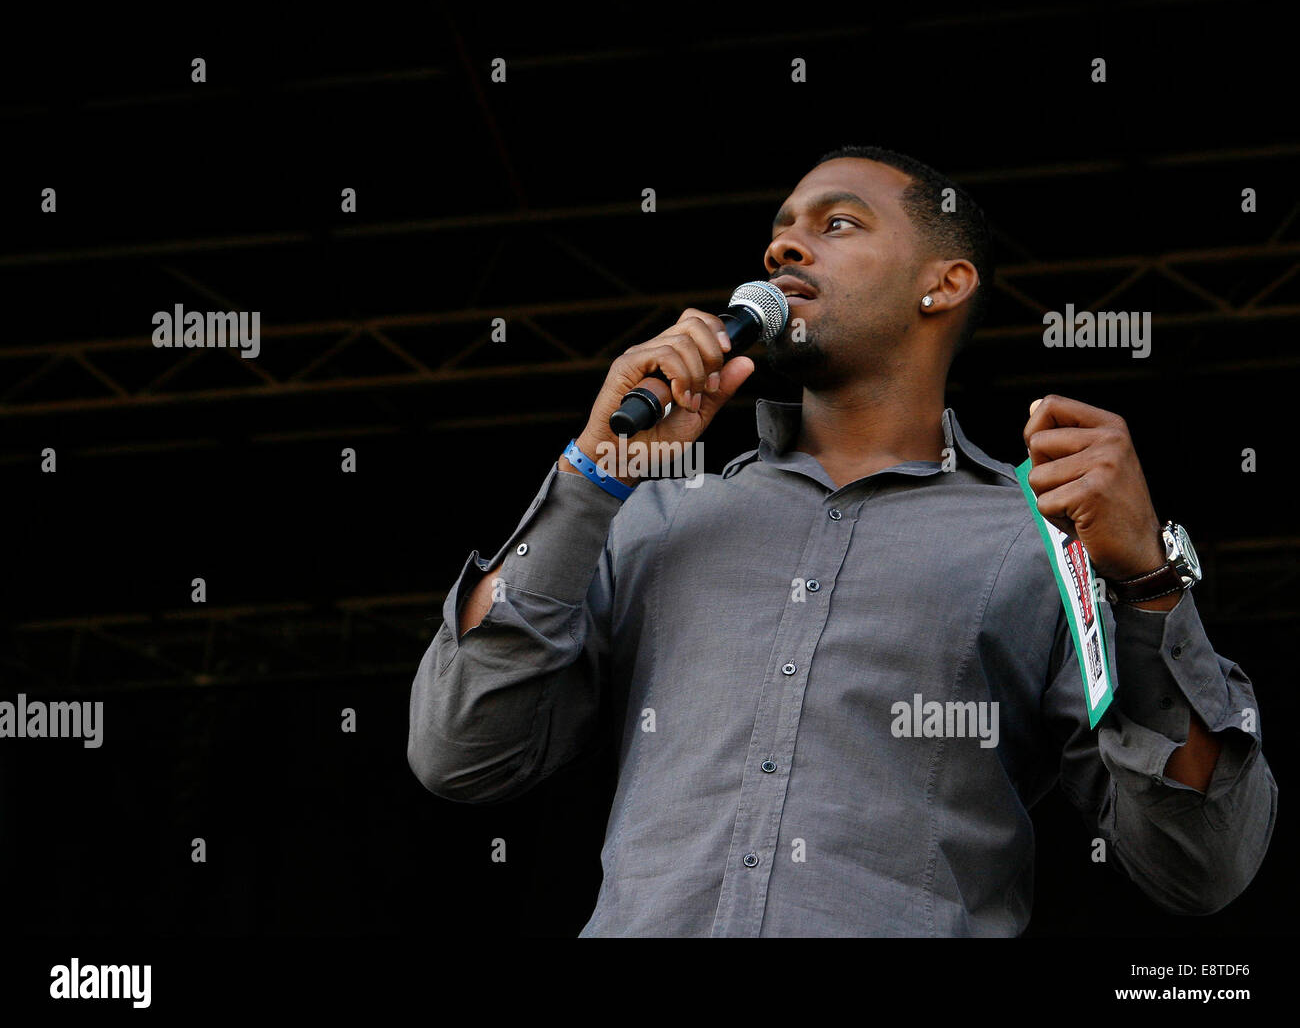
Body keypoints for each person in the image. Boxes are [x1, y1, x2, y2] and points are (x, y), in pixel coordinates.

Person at [406, 145, 1276, 937]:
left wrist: (1148, 581)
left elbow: (1201, 866)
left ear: (945, 283)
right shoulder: (656, 516)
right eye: (780, 231)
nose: (784, 248)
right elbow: (462, 753)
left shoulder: (1045, 539)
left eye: (837, 223)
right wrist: (592, 472)